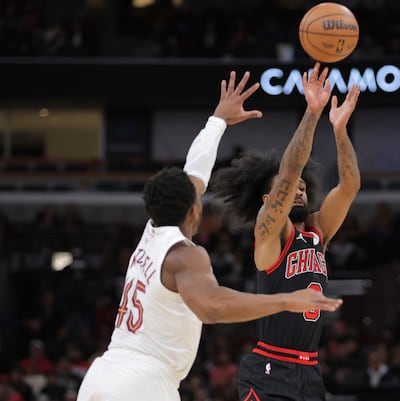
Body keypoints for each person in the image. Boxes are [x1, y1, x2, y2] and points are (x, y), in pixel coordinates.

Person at [76, 70, 343, 401]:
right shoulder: (185, 254)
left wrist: (218, 120)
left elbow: (195, 170)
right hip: (142, 383)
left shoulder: (152, 229)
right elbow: (213, 308)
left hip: (103, 373)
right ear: (193, 211)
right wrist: (288, 300)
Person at [212, 62, 361, 401]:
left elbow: (351, 186)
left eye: (304, 189)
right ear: (269, 200)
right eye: (290, 188)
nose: (299, 191)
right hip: (269, 369)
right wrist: (312, 113)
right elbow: (291, 170)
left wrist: (339, 131)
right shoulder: (270, 236)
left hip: (310, 371)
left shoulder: (317, 230)